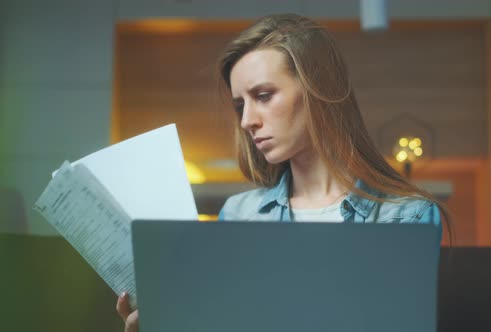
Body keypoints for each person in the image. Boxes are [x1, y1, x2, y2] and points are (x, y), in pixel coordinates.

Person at [116, 13, 451, 332]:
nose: (247, 120)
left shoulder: (407, 215)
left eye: (263, 96)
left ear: (317, 89)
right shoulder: (239, 215)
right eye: (240, 105)